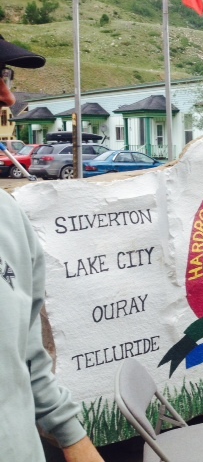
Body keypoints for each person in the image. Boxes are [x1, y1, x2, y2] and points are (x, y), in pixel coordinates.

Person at [0, 35, 104, 462]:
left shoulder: (8, 218)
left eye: (4, 77)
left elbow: (27, 354)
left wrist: (74, 440)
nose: (7, 95)